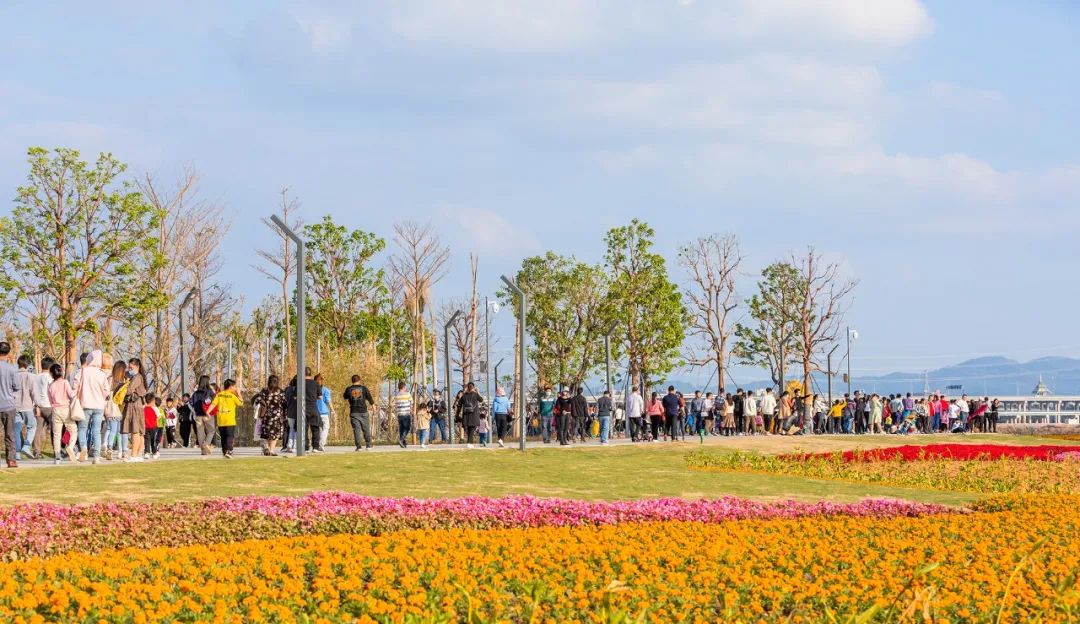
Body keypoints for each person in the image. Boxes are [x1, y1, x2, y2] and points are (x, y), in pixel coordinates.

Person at [46, 363, 77, 464]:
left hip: (55, 410)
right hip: (66, 409)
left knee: (56, 435)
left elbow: (50, 401)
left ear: (51, 374)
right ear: (61, 372)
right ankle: (71, 447)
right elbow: (72, 395)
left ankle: (57, 457)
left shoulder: (51, 385)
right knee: (73, 430)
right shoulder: (65, 382)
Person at [119, 357, 147, 463]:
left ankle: (134, 454)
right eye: (129, 367)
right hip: (136, 405)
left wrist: (125, 385)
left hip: (135, 405)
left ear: (137, 366)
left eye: (131, 367)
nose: (129, 369)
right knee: (139, 431)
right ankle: (139, 454)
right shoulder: (138, 377)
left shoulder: (137, 377)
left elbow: (129, 390)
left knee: (135, 431)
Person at [0, 343, 22, 468]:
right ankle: (11, 460)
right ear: (8, 353)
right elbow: (17, 386)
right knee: (10, 434)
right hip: (8, 405)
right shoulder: (12, 368)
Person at [253, 375, 288, 455]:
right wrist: (284, 415)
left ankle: (266, 448)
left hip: (266, 415)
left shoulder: (264, 391)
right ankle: (272, 450)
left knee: (265, 433)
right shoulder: (280, 391)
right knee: (274, 434)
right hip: (277, 416)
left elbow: (257, 400)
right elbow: (285, 403)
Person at [209, 379, 242, 458]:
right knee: (229, 436)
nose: (235, 388)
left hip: (221, 420)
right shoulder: (233, 396)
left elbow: (213, 404)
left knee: (223, 437)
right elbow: (240, 404)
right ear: (231, 387)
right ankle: (229, 451)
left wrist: (208, 412)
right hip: (230, 420)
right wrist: (239, 394)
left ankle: (224, 452)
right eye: (234, 386)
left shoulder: (219, 395)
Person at [343, 375, 375, 451]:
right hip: (363, 412)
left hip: (354, 412)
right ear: (359, 380)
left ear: (352, 381)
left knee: (357, 430)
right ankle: (369, 445)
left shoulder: (349, 389)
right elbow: (370, 398)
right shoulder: (363, 388)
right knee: (366, 429)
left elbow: (345, 397)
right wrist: (373, 406)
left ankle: (359, 447)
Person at [14, 356, 36, 461]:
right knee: (32, 426)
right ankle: (27, 446)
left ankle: (17, 454)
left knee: (17, 430)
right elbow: (33, 392)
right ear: (27, 364)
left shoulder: (13, 375)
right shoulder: (30, 376)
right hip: (27, 406)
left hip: (15, 406)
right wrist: (36, 405)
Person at [106, 359, 128, 460]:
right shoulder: (124, 381)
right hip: (120, 409)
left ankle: (109, 448)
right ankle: (122, 451)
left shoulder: (109, 379)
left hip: (110, 409)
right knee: (121, 432)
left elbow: (105, 393)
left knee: (112, 430)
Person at [191, 376, 216, 455]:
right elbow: (214, 401)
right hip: (207, 414)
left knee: (200, 432)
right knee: (211, 431)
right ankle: (206, 444)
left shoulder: (195, 393)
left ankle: (203, 450)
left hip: (198, 415)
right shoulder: (210, 391)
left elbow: (191, 403)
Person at [459, 382, 483, 448]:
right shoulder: (475, 394)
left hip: (466, 414)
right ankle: (469, 443)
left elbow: (459, 403)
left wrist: (463, 393)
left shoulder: (464, 395)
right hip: (474, 414)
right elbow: (481, 400)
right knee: (472, 428)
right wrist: (478, 392)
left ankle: (470, 443)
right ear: (473, 387)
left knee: (468, 428)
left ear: (467, 387)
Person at [314, 373, 334, 450]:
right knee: (326, 428)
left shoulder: (313, 389)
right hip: (324, 412)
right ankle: (321, 444)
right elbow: (328, 401)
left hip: (315, 411)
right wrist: (332, 410)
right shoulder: (325, 390)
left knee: (319, 429)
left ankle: (319, 444)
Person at [393, 381, 413, 449]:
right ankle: (401, 440)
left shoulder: (397, 395)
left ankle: (403, 444)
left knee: (401, 429)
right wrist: (412, 410)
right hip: (406, 413)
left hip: (399, 414)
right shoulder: (407, 394)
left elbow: (395, 404)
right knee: (407, 428)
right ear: (404, 387)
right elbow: (411, 403)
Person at [143, 392, 160, 459]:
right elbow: (158, 416)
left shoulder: (143, 408)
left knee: (147, 440)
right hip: (154, 427)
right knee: (154, 440)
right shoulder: (155, 408)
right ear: (153, 401)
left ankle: (147, 452)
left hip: (145, 427)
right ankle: (154, 452)